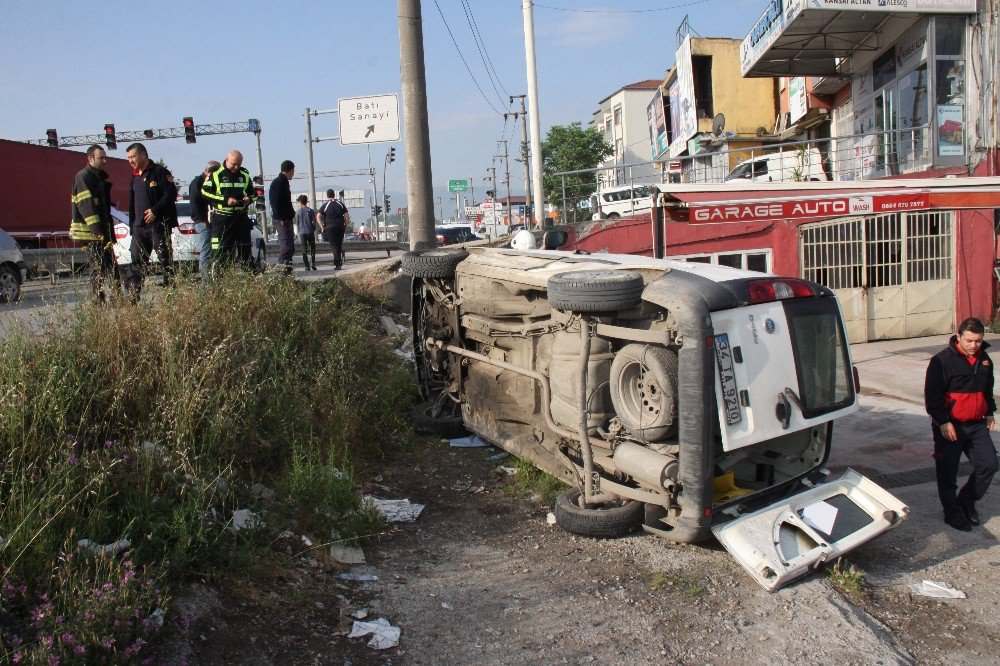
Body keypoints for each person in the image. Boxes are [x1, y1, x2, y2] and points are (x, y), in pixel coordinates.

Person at [924, 317, 998, 531]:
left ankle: (966, 502)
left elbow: (987, 389)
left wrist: (990, 412)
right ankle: (952, 513)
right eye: (969, 340)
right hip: (951, 426)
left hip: (976, 425)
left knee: (989, 464)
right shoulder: (942, 361)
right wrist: (943, 422)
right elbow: (933, 397)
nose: (973, 345)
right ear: (958, 337)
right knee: (948, 472)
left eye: (978, 341)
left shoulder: (984, 360)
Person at [124, 143, 177, 298]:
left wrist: (155, 210)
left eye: (133, 156)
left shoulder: (160, 172)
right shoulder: (134, 176)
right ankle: (133, 297)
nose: (130, 160)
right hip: (140, 228)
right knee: (136, 264)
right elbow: (132, 204)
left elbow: (170, 193)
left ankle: (170, 294)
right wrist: (133, 227)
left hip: (158, 226)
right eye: (128, 158)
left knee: (165, 260)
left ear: (143, 155)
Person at [70, 144, 117, 302]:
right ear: (90, 159)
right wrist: (96, 229)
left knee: (109, 265)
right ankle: (98, 299)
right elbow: (86, 205)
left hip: (102, 230)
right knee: (98, 267)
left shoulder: (97, 177)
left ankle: (112, 296)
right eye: (100, 158)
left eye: (105, 157)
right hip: (92, 233)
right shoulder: (83, 177)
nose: (104, 160)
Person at [200, 150, 255, 272]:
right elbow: (205, 192)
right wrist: (225, 200)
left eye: (239, 164)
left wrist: (249, 199)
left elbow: (254, 194)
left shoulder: (244, 175)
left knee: (245, 249)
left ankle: (249, 277)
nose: (236, 167)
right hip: (222, 218)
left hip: (240, 217)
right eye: (234, 164)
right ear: (226, 160)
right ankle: (220, 278)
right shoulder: (215, 174)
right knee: (222, 251)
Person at [189, 160, 220, 277]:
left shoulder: (207, 182)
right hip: (202, 222)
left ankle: (213, 275)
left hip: (209, 221)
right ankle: (205, 278)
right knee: (206, 250)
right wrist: (203, 220)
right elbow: (196, 203)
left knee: (212, 249)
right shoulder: (198, 182)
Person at [269, 160, 296, 274]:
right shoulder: (278, 182)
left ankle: (287, 269)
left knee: (290, 247)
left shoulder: (284, 182)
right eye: (293, 171)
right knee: (285, 246)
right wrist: (281, 218)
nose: (293, 174)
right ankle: (279, 272)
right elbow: (274, 202)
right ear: (290, 170)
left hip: (287, 219)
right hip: (281, 220)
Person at [316, 189, 350, 270]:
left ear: (327, 196)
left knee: (334, 245)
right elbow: (346, 216)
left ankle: (337, 263)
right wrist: (346, 226)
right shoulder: (340, 204)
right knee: (338, 244)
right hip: (340, 226)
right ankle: (338, 262)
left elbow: (318, 216)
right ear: (334, 195)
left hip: (330, 228)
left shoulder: (325, 205)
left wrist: (322, 227)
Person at [295, 194, 317, 270]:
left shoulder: (298, 212)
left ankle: (306, 266)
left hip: (302, 233)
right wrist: (313, 229)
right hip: (310, 232)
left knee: (304, 249)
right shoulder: (311, 211)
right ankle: (313, 264)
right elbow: (314, 222)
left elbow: (297, 224)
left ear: (300, 202)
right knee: (312, 248)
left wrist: (299, 231)